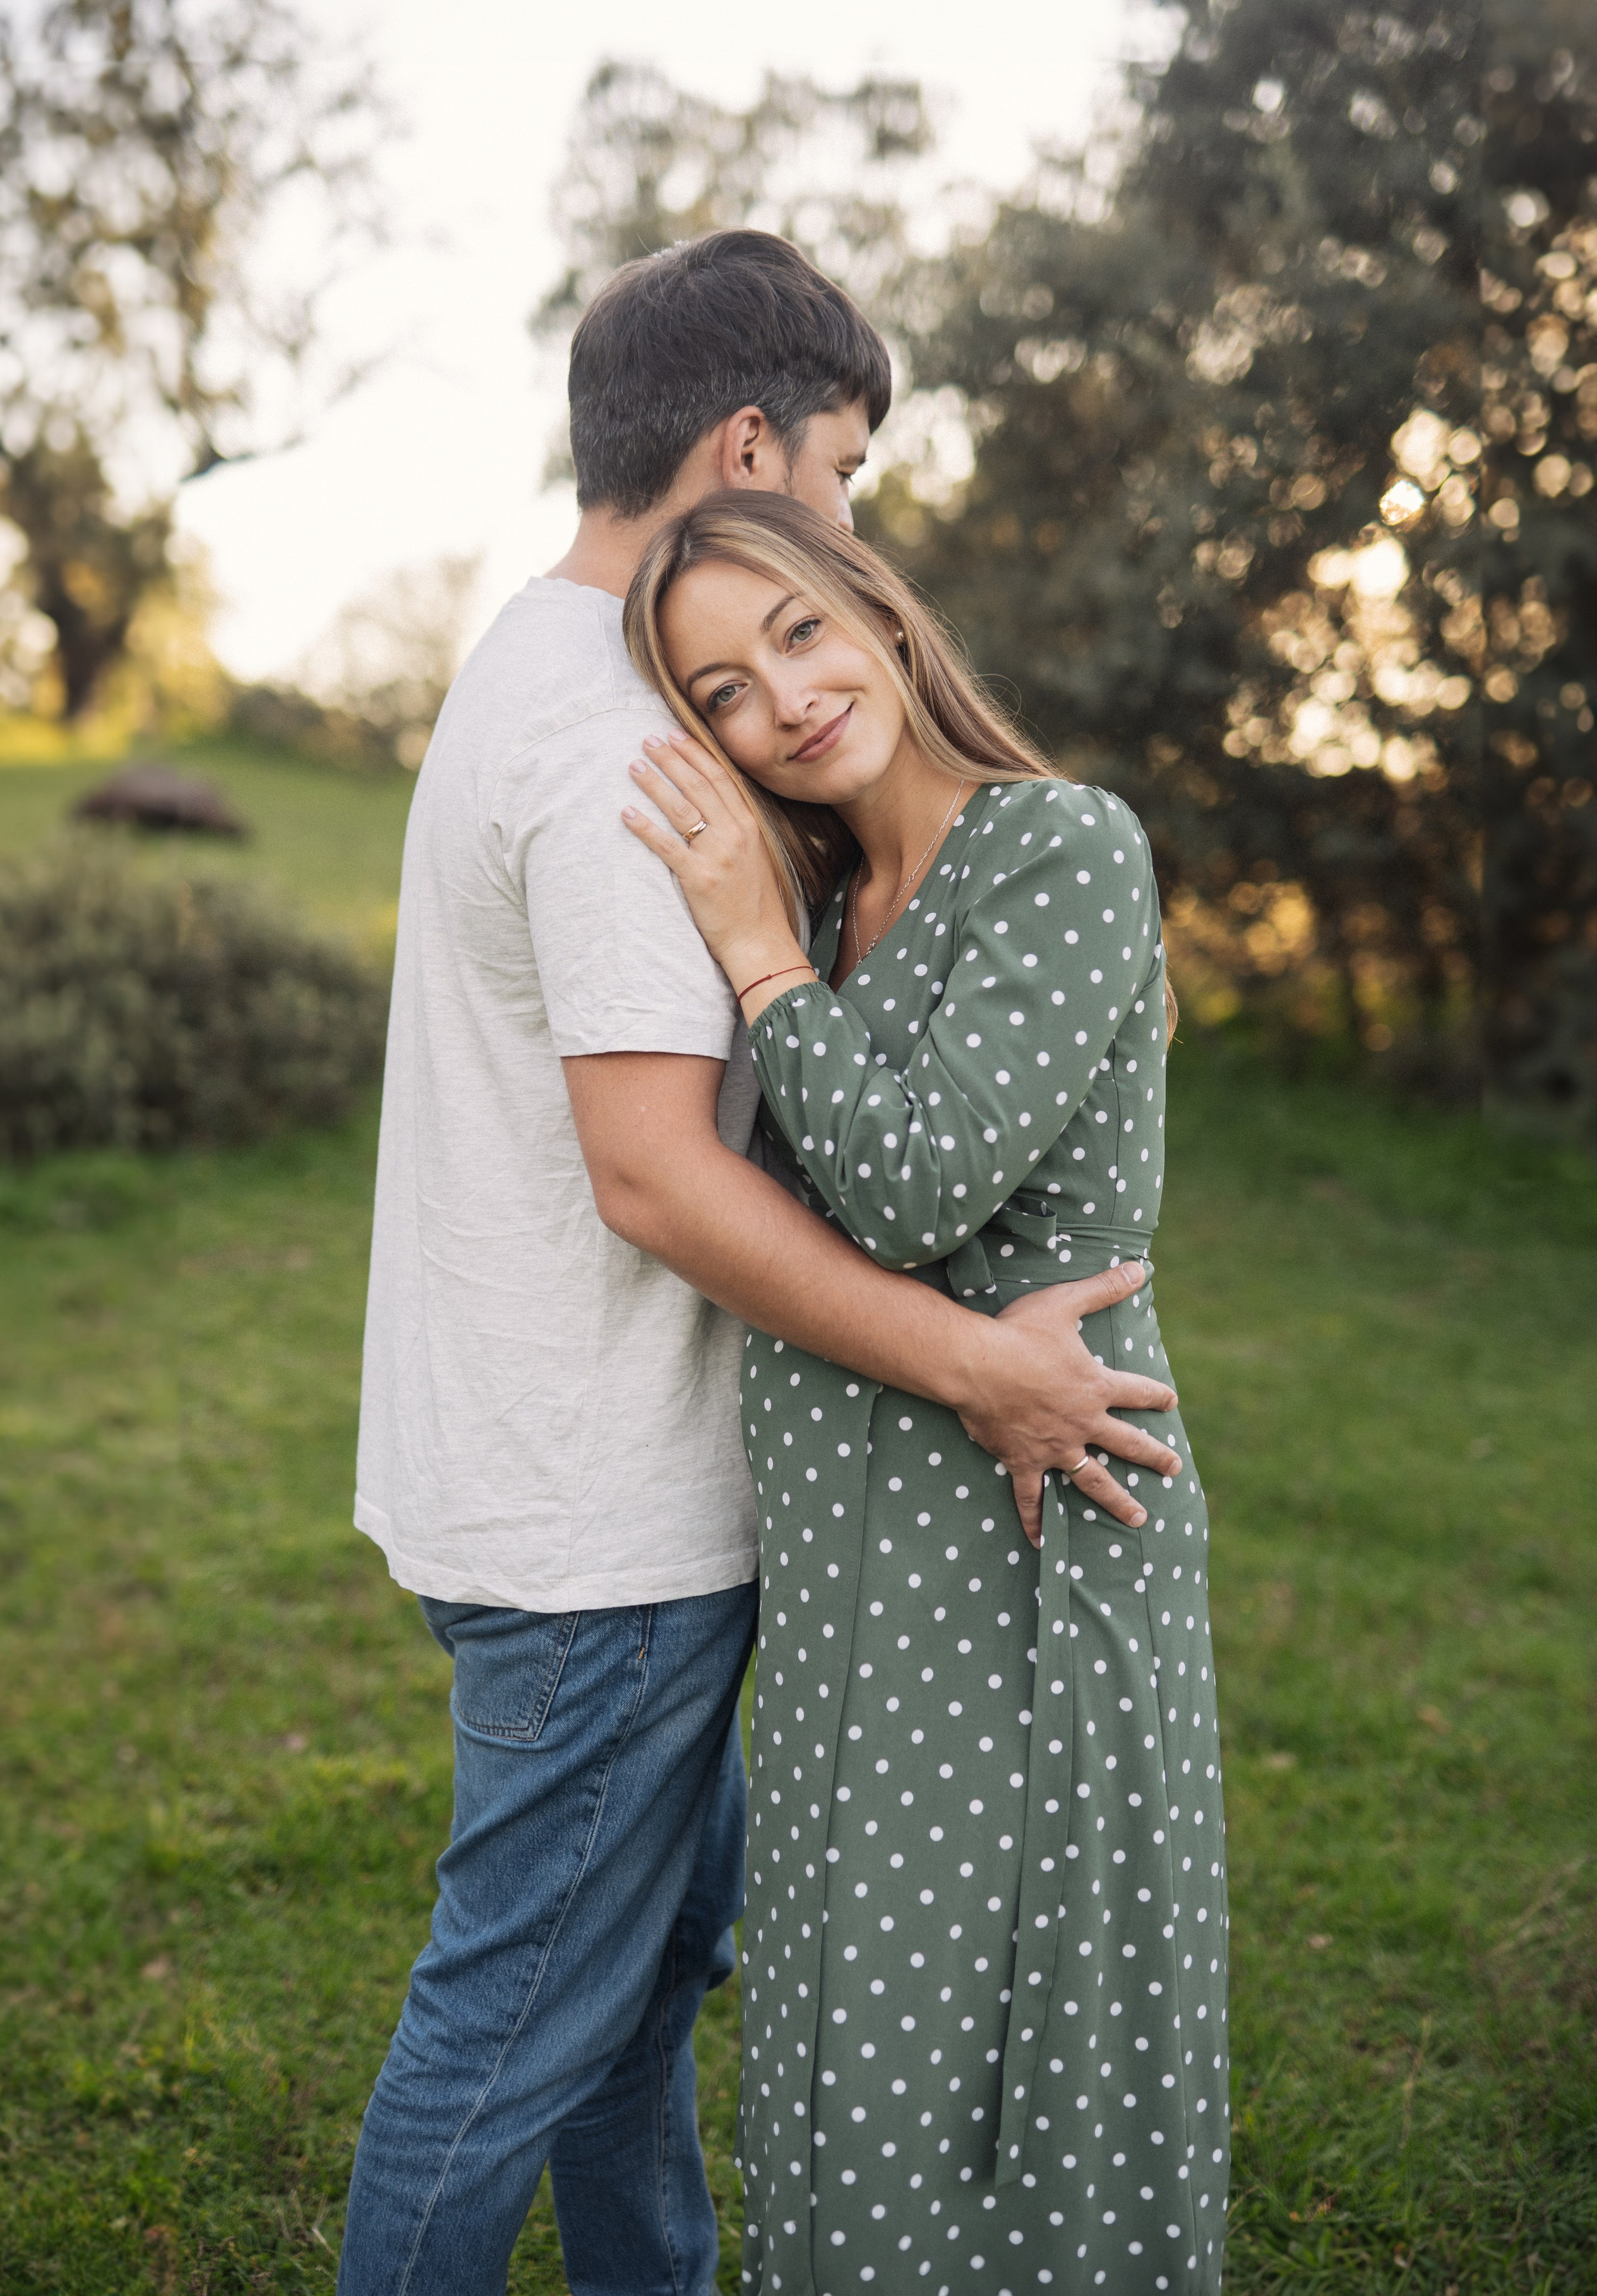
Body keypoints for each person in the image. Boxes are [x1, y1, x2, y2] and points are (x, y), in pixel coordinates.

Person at [340, 230, 1187, 2296]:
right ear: (752, 449)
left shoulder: (536, 665)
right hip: (597, 1518)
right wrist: (979, 1364)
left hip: (552, 1479)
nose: (854, 534)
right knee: (511, 2032)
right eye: (851, 472)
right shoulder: (622, 741)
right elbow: (657, 1175)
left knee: (633, 2001)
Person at [619, 488, 1228, 2296]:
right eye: (721, 690)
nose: (783, 703)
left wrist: (757, 959)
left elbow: (915, 1178)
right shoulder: (828, 893)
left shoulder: (1060, 846)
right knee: (844, 2030)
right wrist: (778, 932)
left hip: (1026, 1546)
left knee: (1014, 2054)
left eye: (797, 633)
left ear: (879, 614)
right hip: (840, 1555)